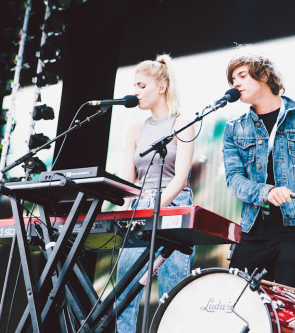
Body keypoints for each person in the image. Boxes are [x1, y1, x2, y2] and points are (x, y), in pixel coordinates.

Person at [222, 50, 295, 298]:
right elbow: (233, 180)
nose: (236, 84)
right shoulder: (234, 129)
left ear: (265, 75)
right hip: (252, 231)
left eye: (242, 76)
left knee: (285, 310)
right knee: (240, 305)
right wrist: (266, 192)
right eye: (232, 80)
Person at [115, 54, 195, 332]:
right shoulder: (135, 129)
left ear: (161, 87)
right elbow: (128, 179)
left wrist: (154, 206)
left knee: (173, 291)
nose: (135, 92)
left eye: (141, 85)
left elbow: (180, 177)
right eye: (134, 86)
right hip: (139, 207)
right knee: (125, 291)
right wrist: (126, 210)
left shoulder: (183, 122)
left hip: (173, 204)